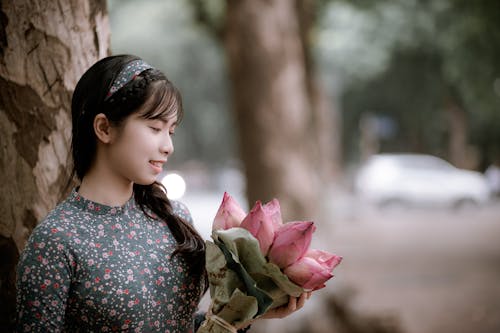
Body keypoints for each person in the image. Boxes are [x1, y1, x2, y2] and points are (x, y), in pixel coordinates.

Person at [16, 54, 309, 332]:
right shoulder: (55, 242)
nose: (168, 146)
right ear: (104, 128)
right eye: (155, 127)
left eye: (171, 131)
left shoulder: (173, 217)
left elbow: (179, 324)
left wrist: (250, 310)